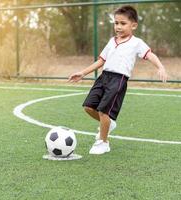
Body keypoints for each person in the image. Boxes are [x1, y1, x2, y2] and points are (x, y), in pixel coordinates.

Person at [68, 5, 167, 155]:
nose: (118, 27)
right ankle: (109, 124)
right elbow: (101, 60)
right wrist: (82, 73)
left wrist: (160, 67)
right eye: (116, 23)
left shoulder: (137, 43)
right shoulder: (111, 41)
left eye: (123, 23)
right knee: (89, 107)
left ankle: (103, 142)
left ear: (133, 25)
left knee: (103, 111)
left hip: (118, 80)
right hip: (103, 77)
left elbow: (150, 55)